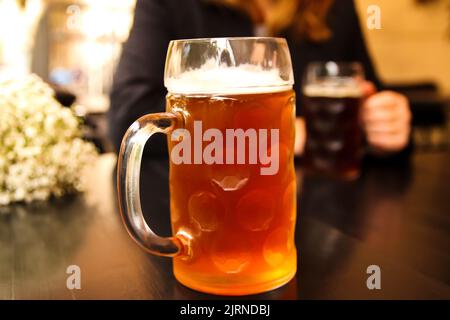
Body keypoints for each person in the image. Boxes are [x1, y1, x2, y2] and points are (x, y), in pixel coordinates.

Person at [109, 0, 411, 157]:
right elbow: (128, 117)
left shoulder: (334, 8)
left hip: (321, 217)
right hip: (207, 216)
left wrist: (385, 121)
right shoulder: (173, 5)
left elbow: (370, 100)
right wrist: (280, 133)